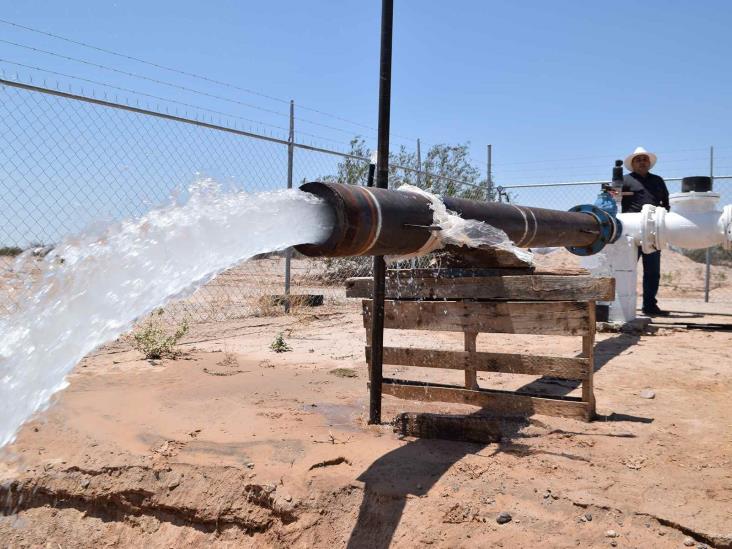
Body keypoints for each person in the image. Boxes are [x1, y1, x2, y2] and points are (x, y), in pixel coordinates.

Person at [621, 146, 670, 316]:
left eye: (644, 159)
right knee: (624, 269)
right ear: (632, 164)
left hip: (653, 232)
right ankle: (619, 304)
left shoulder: (658, 181)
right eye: (638, 159)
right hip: (629, 231)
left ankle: (649, 306)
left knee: (652, 272)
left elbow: (666, 203)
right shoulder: (624, 181)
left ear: (649, 163)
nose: (642, 162)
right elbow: (612, 198)